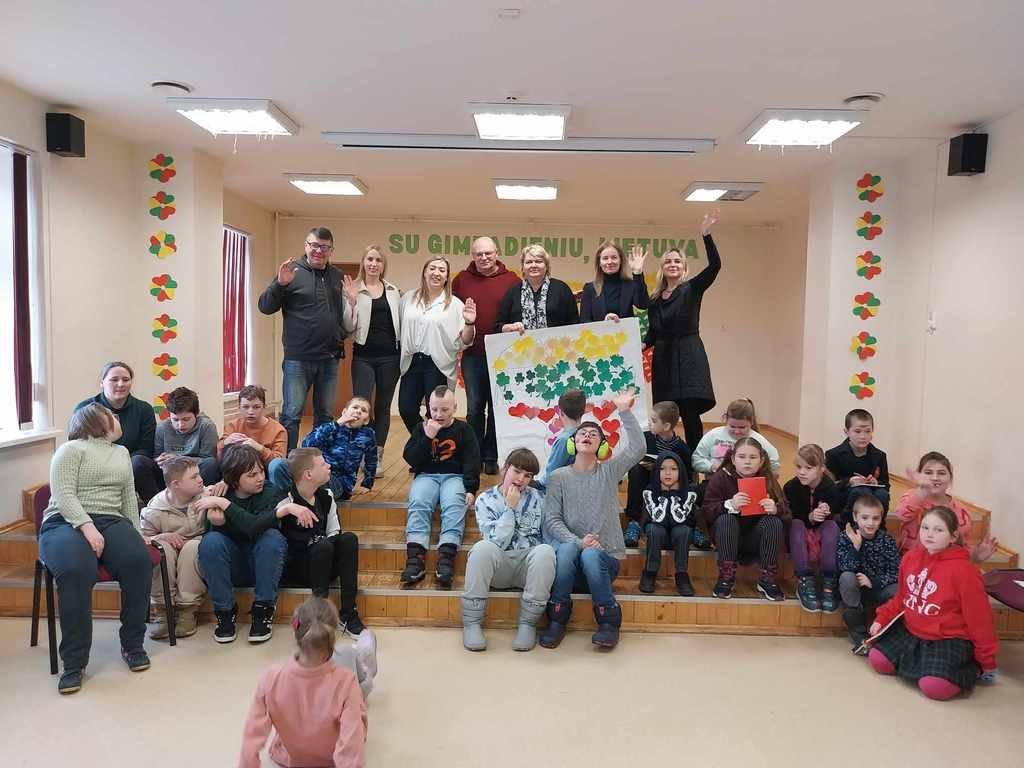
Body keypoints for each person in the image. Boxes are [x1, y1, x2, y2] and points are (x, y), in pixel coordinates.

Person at [38, 403, 154, 694]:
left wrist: (137, 533)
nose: (117, 417)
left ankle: (132, 645)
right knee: (77, 569)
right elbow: (64, 495)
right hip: (64, 521)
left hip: (111, 520)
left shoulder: (122, 453)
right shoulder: (70, 450)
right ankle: (74, 663)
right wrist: (87, 527)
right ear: (95, 422)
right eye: (111, 415)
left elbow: (128, 497)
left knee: (138, 561)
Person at [539, 390, 645, 650]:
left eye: (593, 434)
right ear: (573, 443)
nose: (586, 436)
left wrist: (624, 410)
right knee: (567, 549)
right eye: (582, 433)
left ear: (602, 446)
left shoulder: (609, 472)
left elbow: (638, 449)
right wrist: (579, 542)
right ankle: (557, 619)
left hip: (603, 565)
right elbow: (552, 520)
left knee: (589, 555)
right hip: (569, 566)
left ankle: (609, 621)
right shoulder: (558, 477)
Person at [867, 506, 998, 700]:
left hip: (948, 638)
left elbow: (980, 620)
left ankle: (971, 667)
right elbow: (902, 597)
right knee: (878, 660)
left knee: (934, 688)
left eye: (938, 530)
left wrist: (986, 660)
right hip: (912, 632)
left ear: (953, 536)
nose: (929, 534)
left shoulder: (966, 572)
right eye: (925, 528)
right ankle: (926, 666)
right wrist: (882, 618)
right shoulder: (910, 558)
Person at [239, 597, 367, 768]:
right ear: (332, 639)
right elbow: (351, 748)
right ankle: (366, 645)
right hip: (331, 758)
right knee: (357, 669)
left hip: (288, 757)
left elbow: (251, 738)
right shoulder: (347, 682)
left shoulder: (271, 678)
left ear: (295, 631)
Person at [195, 446, 299, 644]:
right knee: (211, 541)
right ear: (234, 479)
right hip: (234, 566)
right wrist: (218, 525)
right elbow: (212, 548)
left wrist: (226, 505)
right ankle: (225, 612)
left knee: (271, 537)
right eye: (252, 475)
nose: (260, 478)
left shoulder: (270, 491)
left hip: (265, 566)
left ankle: (263, 610)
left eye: (261, 471)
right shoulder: (220, 493)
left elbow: (253, 527)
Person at [258, 227, 347, 451]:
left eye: (324, 247)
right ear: (306, 246)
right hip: (298, 358)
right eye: (314, 245)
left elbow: (339, 314)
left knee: (325, 415)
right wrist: (280, 284)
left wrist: (339, 334)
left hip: (329, 358)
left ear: (331, 250)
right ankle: (286, 462)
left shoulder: (337, 276)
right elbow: (265, 307)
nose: (319, 251)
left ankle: (319, 460)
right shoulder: (292, 272)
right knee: (292, 414)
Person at [461, 448, 555, 652]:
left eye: (527, 475)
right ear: (505, 469)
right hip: (499, 566)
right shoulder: (485, 500)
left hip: (527, 568)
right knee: (482, 548)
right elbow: (497, 542)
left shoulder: (539, 499)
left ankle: (528, 624)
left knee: (546, 551)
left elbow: (548, 535)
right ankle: (472, 623)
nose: (521, 479)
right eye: (517, 471)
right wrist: (510, 508)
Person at [645, 209, 721, 452]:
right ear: (662, 268)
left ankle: (695, 463)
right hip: (664, 358)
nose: (673, 264)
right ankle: (662, 460)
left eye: (677, 261)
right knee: (663, 413)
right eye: (668, 261)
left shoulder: (692, 288)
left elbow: (715, 266)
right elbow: (653, 333)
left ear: (684, 267)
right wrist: (637, 346)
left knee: (689, 413)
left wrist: (706, 234)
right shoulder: (655, 298)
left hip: (689, 355)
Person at [453, 237, 522, 475]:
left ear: (497, 253)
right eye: (478, 254)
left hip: (502, 356)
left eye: (488, 253)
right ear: (472, 255)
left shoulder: (512, 280)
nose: (483, 258)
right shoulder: (461, 280)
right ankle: (474, 455)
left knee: (495, 408)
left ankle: (491, 455)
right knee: (474, 408)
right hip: (472, 354)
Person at [400, 387, 481, 589]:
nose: (438, 414)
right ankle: (415, 559)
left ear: (454, 408)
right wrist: (427, 437)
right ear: (428, 407)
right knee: (418, 501)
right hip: (426, 475)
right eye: (434, 409)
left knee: (454, 503)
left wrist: (471, 488)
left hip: (454, 476)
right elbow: (411, 458)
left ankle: (446, 558)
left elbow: (472, 460)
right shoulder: (421, 428)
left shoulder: (464, 430)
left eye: (444, 409)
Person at [278, 448, 365, 636]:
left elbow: (334, 531)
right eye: (323, 464)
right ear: (308, 474)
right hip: (300, 568)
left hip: (325, 561)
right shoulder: (286, 501)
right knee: (323, 545)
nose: (329, 466)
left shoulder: (326, 496)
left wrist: (322, 543)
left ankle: (349, 612)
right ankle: (319, 615)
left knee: (349, 539)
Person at [702, 437, 789, 601]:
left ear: (761, 460)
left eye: (753, 457)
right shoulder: (721, 478)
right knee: (726, 519)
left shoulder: (768, 479)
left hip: (755, 539)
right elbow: (707, 512)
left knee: (774, 522)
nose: (747, 462)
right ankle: (726, 577)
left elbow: (787, 513)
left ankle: (767, 578)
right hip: (727, 538)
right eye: (742, 457)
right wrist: (729, 505)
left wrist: (776, 509)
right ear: (733, 459)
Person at [397, 257, 477, 432]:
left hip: (438, 364)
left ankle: (435, 446)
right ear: (424, 273)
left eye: (442, 270)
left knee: (436, 413)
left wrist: (469, 323)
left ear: (447, 277)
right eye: (432, 268)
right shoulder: (408, 298)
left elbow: (466, 341)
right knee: (406, 408)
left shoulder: (455, 305)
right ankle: (424, 440)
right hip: (411, 361)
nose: (436, 273)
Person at [342, 244, 401, 473]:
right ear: (363, 262)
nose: (373, 264)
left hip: (390, 358)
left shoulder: (394, 291)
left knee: (383, 407)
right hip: (363, 357)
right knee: (361, 407)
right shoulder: (354, 289)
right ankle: (361, 453)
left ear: (383, 265)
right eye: (370, 259)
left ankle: (376, 457)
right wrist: (351, 302)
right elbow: (348, 328)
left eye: (378, 260)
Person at [140, 456, 207, 640]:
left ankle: (187, 611)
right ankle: (163, 611)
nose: (200, 479)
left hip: (193, 547)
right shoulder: (155, 508)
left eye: (199, 474)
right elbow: (142, 538)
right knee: (161, 549)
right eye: (194, 477)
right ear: (176, 484)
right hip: (169, 546)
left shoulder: (207, 497)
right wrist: (161, 537)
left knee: (192, 548)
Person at [75, 361, 157, 502]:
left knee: (139, 462)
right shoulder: (85, 408)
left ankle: (156, 508)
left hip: (131, 464)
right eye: (114, 380)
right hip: (95, 463)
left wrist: (120, 462)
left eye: (126, 380)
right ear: (102, 383)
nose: (121, 384)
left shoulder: (144, 409)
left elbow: (146, 449)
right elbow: (79, 445)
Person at [895, 451, 997, 562]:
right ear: (919, 476)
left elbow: (962, 548)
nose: (935, 477)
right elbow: (902, 514)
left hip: (946, 566)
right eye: (928, 473)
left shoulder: (962, 511)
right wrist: (923, 489)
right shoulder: (914, 497)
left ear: (950, 478)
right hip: (913, 565)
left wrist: (975, 557)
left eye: (941, 473)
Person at [623, 400, 693, 547]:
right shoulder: (645, 438)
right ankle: (634, 521)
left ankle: (689, 525)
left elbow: (687, 475)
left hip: (669, 487)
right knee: (636, 470)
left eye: (654, 421)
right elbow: (631, 456)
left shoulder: (682, 449)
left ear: (666, 426)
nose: (650, 423)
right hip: (646, 480)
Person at [837, 495, 900, 653]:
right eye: (865, 518)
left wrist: (873, 581)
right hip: (855, 592)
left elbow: (897, 572)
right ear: (855, 517)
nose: (870, 523)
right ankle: (859, 634)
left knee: (897, 589)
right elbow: (845, 567)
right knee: (847, 577)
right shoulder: (846, 537)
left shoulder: (887, 541)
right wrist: (856, 548)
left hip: (878, 588)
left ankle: (886, 634)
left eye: (875, 518)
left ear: (881, 518)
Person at [783, 444, 842, 613]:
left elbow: (837, 511)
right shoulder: (791, 487)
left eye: (808, 468)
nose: (802, 472)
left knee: (831, 526)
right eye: (799, 467)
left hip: (820, 532)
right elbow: (790, 515)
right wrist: (809, 517)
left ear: (821, 469)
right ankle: (804, 578)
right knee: (796, 524)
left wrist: (827, 512)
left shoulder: (830, 487)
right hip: (800, 531)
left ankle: (829, 579)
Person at [638, 451, 699, 596]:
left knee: (683, 530)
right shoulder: (649, 491)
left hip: (679, 538)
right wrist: (665, 495)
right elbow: (657, 518)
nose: (667, 473)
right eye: (662, 468)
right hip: (657, 536)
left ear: (681, 472)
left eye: (673, 469)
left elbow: (680, 519)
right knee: (654, 529)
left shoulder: (689, 492)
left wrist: (673, 494)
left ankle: (682, 574)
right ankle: (650, 571)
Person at [298, 397, 377, 501]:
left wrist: (367, 484)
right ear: (344, 412)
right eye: (355, 407)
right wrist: (337, 424)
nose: (358, 411)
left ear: (366, 420)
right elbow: (307, 444)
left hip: (342, 484)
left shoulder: (368, 434)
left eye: (363, 410)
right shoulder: (331, 428)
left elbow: (372, 460)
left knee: (316, 486)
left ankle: (303, 496)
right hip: (319, 474)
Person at [495, 244, 580, 333]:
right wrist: (509, 327)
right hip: (521, 341)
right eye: (529, 262)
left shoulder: (562, 289)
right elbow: (498, 326)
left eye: (538, 261)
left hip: (556, 341)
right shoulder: (513, 292)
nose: (533, 265)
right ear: (523, 267)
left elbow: (574, 324)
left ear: (546, 266)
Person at [825, 408, 890, 520]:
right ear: (846, 432)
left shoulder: (879, 455)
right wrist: (849, 481)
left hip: (871, 496)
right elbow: (828, 486)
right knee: (861, 491)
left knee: (882, 494)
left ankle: (879, 526)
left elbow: (886, 484)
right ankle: (846, 523)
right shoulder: (834, 454)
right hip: (845, 497)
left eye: (867, 431)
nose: (863, 436)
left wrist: (876, 482)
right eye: (858, 431)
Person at [691, 398, 781, 476]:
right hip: (715, 481)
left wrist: (757, 473)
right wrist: (711, 467)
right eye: (732, 426)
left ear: (752, 422)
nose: (737, 431)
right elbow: (697, 459)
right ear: (726, 419)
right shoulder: (714, 435)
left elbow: (774, 464)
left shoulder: (758, 440)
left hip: (747, 484)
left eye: (742, 427)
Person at [151, 386, 220, 488]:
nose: (180, 425)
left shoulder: (206, 426)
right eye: (175, 420)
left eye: (186, 419)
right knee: (141, 462)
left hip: (196, 472)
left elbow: (208, 459)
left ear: (196, 414)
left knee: (210, 463)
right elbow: (156, 456)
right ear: (169, 415)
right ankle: (159, 497)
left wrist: (178, 459)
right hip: (170, 473)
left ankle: (202, 495)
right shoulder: (162, 427)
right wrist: (159, 460)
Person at [218, 385, 287, 476]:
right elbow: (218, 454)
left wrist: (259, 448)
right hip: (239, 474)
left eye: (256, 407)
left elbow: (279, 463)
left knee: (276, 465)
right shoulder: (233, 426)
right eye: (245, 407)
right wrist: (225, 442)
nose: (250, 412)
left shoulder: (278, 430)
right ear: (239, 408)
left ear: (264, 407)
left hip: (266, 474)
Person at [579, 242, 650, 323]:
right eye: (605, 258)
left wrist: (637, 273)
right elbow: (584, 320)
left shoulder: (630, 285)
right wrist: (604, 323)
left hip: (626, 331)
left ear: (620, 260)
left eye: (614, 257)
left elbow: (643, 305)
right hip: (599, 331)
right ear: (599, 263)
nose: (610, 262)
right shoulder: (590, 288)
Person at [532, 388, 586, 492]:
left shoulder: (564, 440)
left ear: (560, 412)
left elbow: (551, 474)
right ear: (583, 411)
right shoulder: (588, 434)